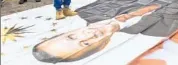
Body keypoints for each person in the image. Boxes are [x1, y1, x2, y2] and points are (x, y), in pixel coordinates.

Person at [32, 4, 160, 63]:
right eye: (86, 43)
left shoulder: (90, 11)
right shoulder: (151, 34)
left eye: (72, 37)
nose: (89, 35)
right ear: (101, 47)